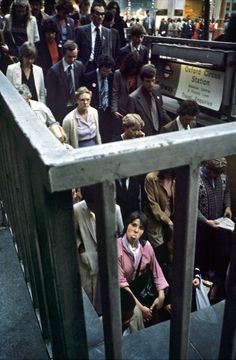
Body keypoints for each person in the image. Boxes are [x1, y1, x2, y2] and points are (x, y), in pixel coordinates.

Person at [74, 185, 123, 308]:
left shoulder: (115, 209)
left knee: (109, 297)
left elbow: (121, 233)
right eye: (90, 205)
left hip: (109, 262)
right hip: (88, 265)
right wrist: (81, 248)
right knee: (90, 299)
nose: (94, 208)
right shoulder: (76, 210)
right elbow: (72, 234)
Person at [118, 211, 168, 325]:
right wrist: (141, 308)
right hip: (125, 296)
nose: (136, 230)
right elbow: (122, 283)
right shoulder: (117, 248)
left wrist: (161, 294)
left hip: (142, 291)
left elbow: (157, 272)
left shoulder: (146, 246)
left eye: (141, 227)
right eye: (133, 225)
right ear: (127, 225)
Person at [195, 158, 232, 303]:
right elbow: (191, 205)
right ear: (208, 168)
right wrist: (205, 220)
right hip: (202, 227)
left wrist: (228, 207)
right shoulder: (196, 179)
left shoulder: (222, 175)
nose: (217, 176)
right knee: (203, 258)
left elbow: (227, 192)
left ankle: (216, 285)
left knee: (221, 257)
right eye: (214, 173)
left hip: (219, 225)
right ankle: (202, 290)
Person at [115, 114, 145, 223]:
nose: (137, 133)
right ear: (126, 128)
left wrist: (142, 142)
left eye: (139, 130)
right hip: (119, 180)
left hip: (133, 180)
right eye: (134, 130)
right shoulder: (115, 142)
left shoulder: (138, 140)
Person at [46, 40, 84, 124]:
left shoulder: (79, 66)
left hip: (76, 107)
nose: (72, 59)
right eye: (69, 57)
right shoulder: (54, 71)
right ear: (63, 54)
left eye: (75, 56)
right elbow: (51, 97)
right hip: (61, 110)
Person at [128, 63, 171, 136]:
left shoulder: (157, 89)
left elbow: (161, 110)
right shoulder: (133, 98)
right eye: (148, 81)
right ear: (142, 80)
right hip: (145, 136)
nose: (151, 84)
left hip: (159, 132)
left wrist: (172, 124)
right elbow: (132, 124)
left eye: (153, 80)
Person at [83, 54, 115, 143]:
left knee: (107, 137)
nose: (106, 74)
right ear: (100, 67)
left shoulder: (111, 76)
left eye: (109, 71)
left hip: (107, 113)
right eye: (104, 71)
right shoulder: (88, 77)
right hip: (94, 112)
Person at [111, 52, 142, 137]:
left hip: (135, 111)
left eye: (135, 68)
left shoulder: (139, 75)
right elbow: (115, 92)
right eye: (132, 68)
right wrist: (114, 110)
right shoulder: (118, 74)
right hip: (121, 111)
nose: (133, 70)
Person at [144, 169, 175, 255]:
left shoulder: (177, 177)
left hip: (172, 219)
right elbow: (152, 204)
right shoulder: (151, 178)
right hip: (155, 220)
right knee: (160, 251)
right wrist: (168, 221)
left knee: (172, 250)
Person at [75, 2, 112, 72]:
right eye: (97, 14)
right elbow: (77, 50)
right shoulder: (81, 30)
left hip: (102, 67)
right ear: (91, 15)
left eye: (102, 14)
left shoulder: (107, 32)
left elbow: (109, 52)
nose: (100, 17)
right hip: (86, 66)